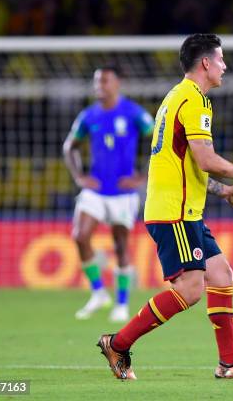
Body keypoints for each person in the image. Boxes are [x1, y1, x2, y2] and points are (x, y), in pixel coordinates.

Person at [97, 33, 233, 380]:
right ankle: (118, 343)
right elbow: (206, 159)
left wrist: (222, 190)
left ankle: (229, 363)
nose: (225, 66)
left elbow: (185, 162)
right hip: (175, 212)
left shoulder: (177, 97)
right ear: (206, 63)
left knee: (222, 275)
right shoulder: (192, 100)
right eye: (222, 60)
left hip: (186, 211)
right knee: (191, 288)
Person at [63, 66, 154, 322]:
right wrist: (79, 176)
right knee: (80, 236)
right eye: (96, 82)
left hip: (123, 192)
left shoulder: (134, 112)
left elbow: (159, 140)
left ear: (117, 83)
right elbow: (69, 146)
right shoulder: (88, 116)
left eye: (104, 81)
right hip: (96, 189)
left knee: (120, 245)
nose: (99, 86)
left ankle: (122, 303)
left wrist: (142, 177)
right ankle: (98, 292)